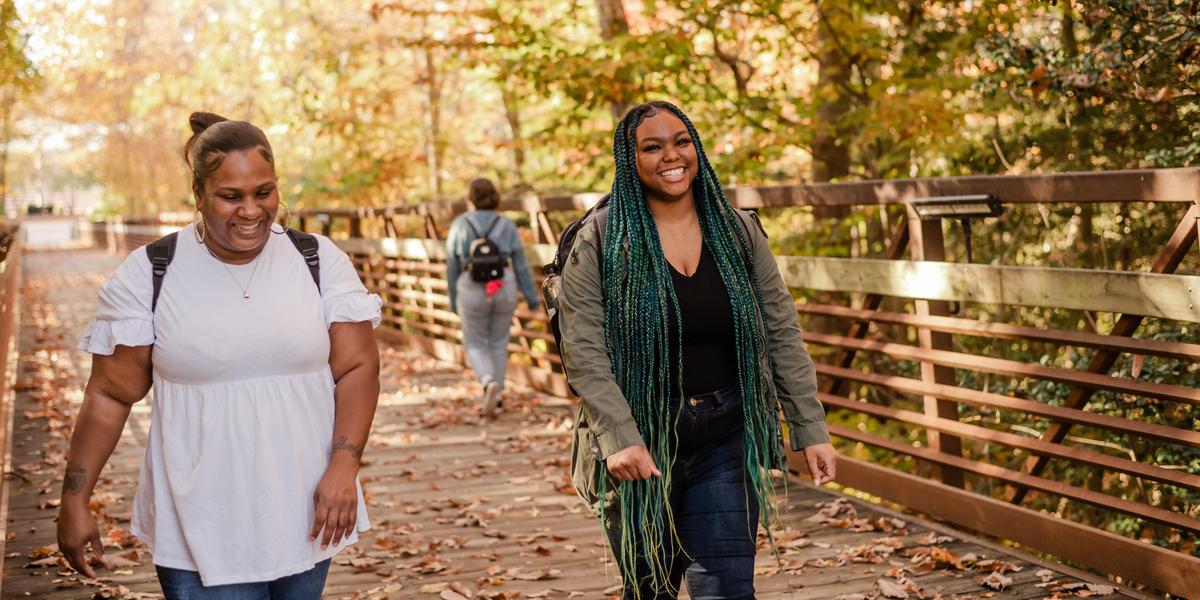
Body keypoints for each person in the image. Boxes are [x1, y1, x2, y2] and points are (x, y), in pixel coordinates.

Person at [56, 112, 382, 599]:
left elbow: (358, 368)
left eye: (264, 192)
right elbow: (109, 394)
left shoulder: (318, 260)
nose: (251, 210)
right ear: (199, 195)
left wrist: (343, 468)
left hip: (306, 515)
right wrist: (75, 500)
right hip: (198, 523)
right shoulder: (151, 272)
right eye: (231, 196)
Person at [559, 101, 838, 599]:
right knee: (652, 590)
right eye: (653, 146)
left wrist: (809, 426)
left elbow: (781, 329)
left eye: (681, 141)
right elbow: (583, 349)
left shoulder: (736, 231)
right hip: (641, 438)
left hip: (724, 435)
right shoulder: (601, 238)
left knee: (728, 590)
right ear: (630, 159)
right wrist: (619, 437)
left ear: (696, 148)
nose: (671, 155)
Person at [445, 178, 541, 416]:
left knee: (475, 342)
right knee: (499, 342)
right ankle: (497, 399)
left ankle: (488, 381)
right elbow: (520, 264)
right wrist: (532, 299)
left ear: (471, 198)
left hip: (471, 286)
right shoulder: (506, 225)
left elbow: (451, 265)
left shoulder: (460, 224)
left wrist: (453, 297)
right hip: (503, 284)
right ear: (496, 197)